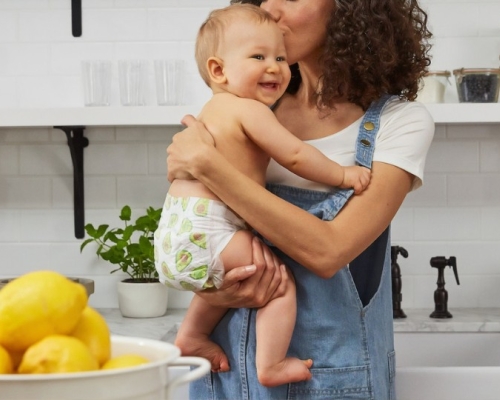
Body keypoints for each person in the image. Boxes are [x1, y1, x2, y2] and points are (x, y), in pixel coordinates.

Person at [166, 0, 434, 398]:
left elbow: (328, 251)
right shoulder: (250, 107)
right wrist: (216, 289)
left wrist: (210, 166)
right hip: (224, 374)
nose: (271, 8)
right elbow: (204, 226)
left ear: (350, 10)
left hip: (324, 381)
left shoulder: (400, 123)